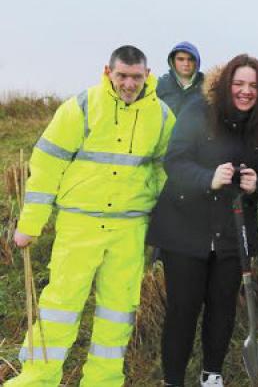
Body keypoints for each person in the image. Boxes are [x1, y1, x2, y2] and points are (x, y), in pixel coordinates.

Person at [8, 46, 175, 386]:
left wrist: (163, 222)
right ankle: (37, 379)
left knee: (118, 313)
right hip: (79, 225)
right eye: (122, 76)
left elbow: (165, 171)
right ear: (108, 72)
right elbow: (47, 165)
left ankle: (103, 380)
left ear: (147, 74)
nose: (129, 84)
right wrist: (29, 224)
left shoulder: (161, 115)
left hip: (130, 229)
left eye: (136, 77)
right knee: (60, 307)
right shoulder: (80, 107)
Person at [146, 54, 258, 387]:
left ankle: (212, 373)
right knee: (183, 308)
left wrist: (256, 185)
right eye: (238, 84)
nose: (245, 91)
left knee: (223, 307)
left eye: (252, 86)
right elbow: (174, 163)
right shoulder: (197, 111)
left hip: (234, 232)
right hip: (185, 229)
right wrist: (208, 177)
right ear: (224, 84)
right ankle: (173, 379)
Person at [157, 41, 205, 116]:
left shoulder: (207, 87)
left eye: (190, 59)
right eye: (181, 59)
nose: (186, 64)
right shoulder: (160, 85)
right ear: (173, 61)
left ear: (197, 62)